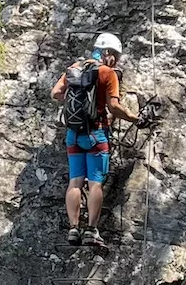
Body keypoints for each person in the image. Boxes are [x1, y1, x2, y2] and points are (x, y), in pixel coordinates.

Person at [51, 32, 143, 250]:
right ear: (108, 54)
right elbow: (114, 107)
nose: (116, 61)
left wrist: (76, 103)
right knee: (95, 183)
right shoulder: (107, 73)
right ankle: (91, 230)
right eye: (116, 57)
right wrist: (133, 118)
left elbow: (55, 93)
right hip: (96, 134)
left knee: (75, 181)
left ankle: (73, 228)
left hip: (73, 134)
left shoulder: (74, 68)